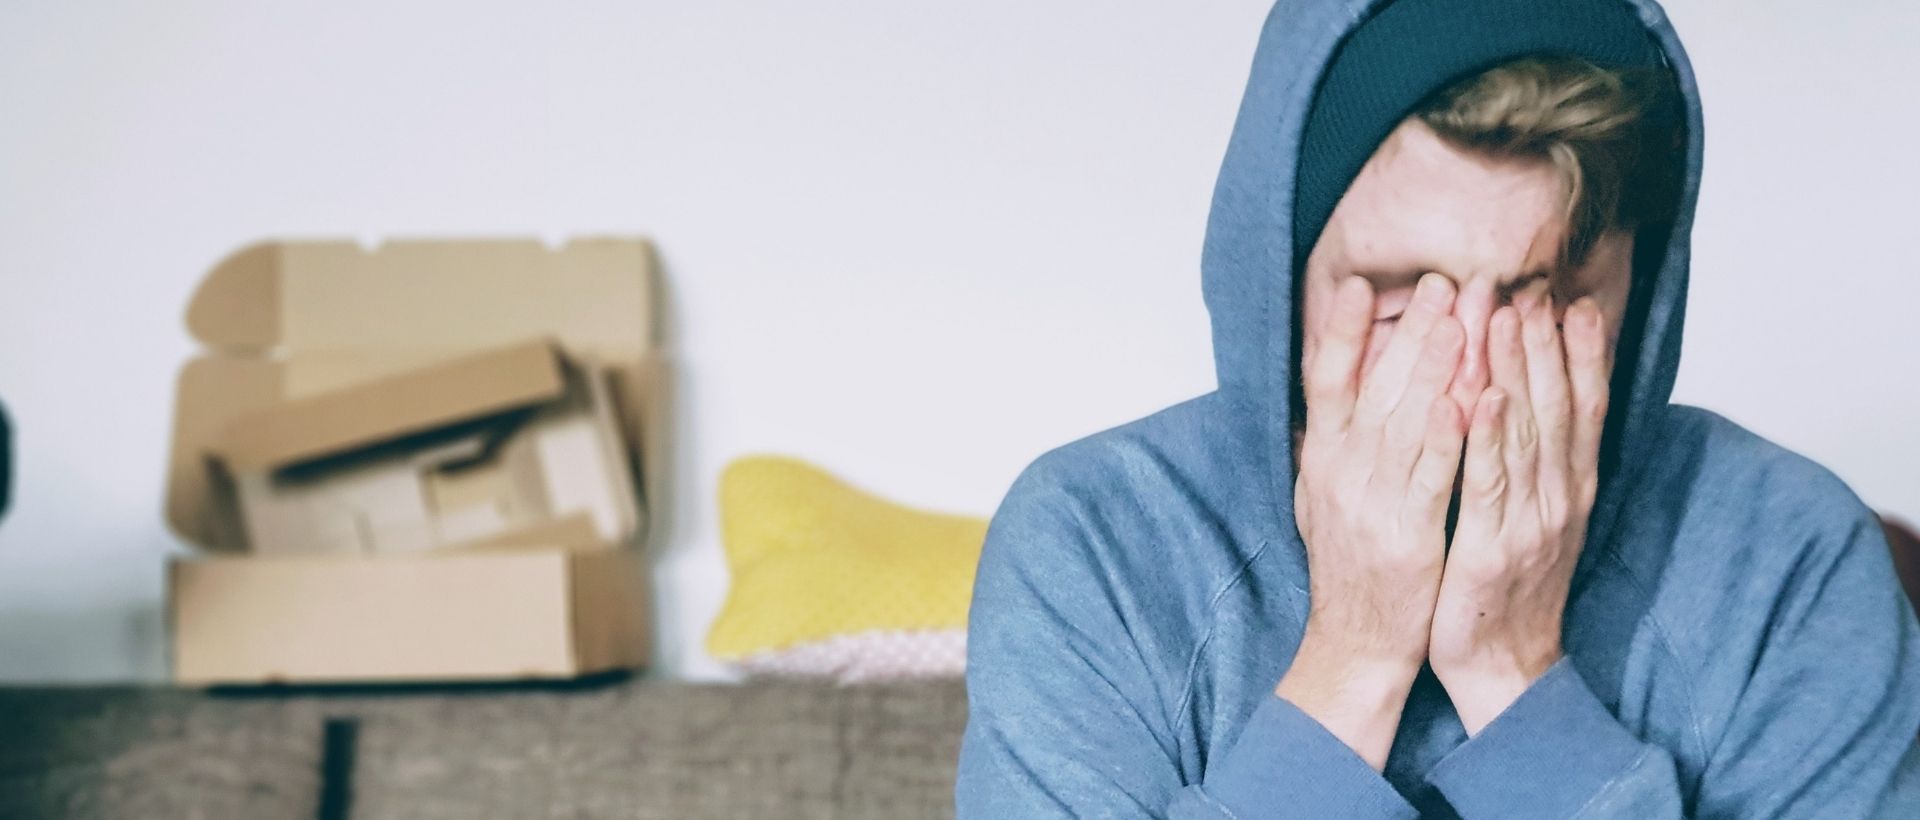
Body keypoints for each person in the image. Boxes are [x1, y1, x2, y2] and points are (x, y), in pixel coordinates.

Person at [955, 0, 1920, 817]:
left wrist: (1514, 680)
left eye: (1541, 299)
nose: (1471, 382)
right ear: (1280, 281)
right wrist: (1355, 658)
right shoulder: (1093, 543)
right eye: (1397, 297)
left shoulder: (1792, 557)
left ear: (1639, 290)